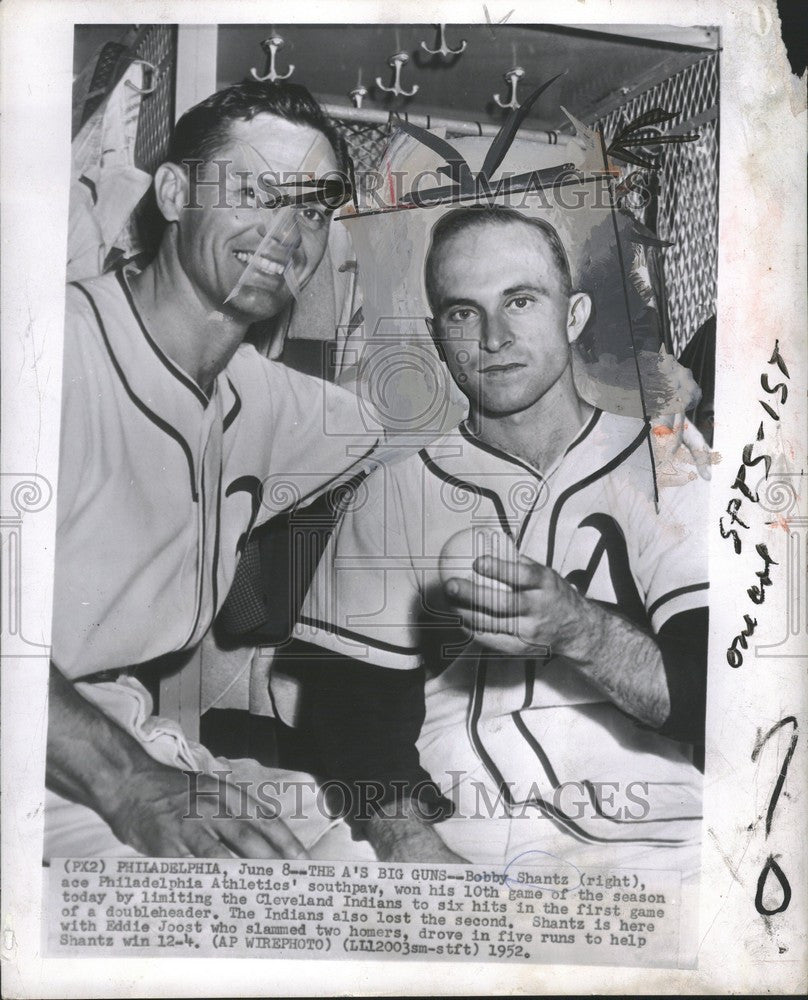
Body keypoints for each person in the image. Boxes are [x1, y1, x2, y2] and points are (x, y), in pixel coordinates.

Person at [283, 205, 709, 880]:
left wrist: (583, 632)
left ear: (572, 317)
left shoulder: (669, 458)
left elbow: (715, 693)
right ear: (437, 336)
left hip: (653, 826)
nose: (492, 337)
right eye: (462, 313)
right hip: (455, 817)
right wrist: (413, 848)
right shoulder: (391, 492)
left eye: (521, 301)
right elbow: (358, 720)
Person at [46, 80, 381, 860]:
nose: (288, 231)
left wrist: (672, 423)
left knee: (339, 862)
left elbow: (393, 442)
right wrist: (128, 781)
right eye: (258, 191)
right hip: (44, 752)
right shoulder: (48, 348)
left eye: (311, 208)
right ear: (171, 192)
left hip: (127, 734)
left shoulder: (260, 395)